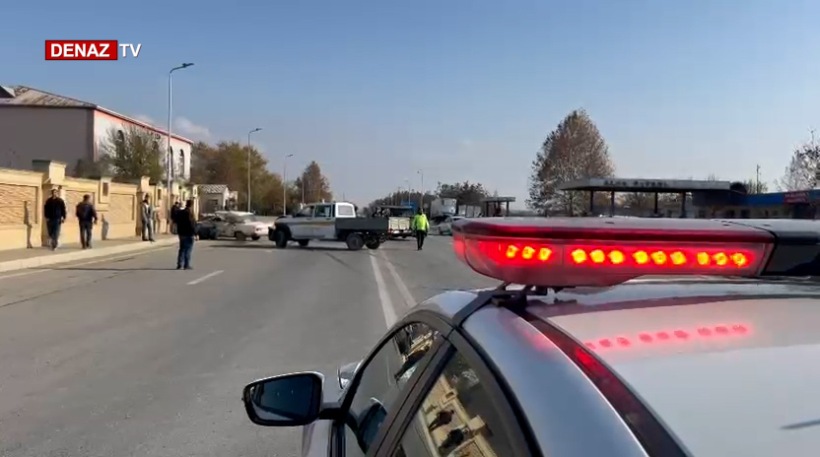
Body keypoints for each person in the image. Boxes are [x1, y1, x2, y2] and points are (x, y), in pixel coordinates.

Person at [173, 199, 197, 270]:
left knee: (182, 249)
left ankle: (179, 264)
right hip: (189, 233)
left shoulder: (181, 212)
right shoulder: (190, 213)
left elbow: (176, 221)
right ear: (192, 205)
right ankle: (186, 265)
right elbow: (192, 224)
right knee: (188, 249)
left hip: (181, 233)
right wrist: (195, 233)